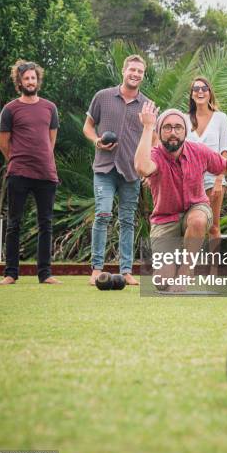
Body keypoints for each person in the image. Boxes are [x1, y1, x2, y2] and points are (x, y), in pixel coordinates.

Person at [134, 103, 227, 287]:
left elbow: (226, 167)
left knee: (198, 220)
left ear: (185, 131)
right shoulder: (155, 155)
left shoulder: (198, 151)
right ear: (159, 132)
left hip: (196, 209)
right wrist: (147, 127)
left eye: (178, 127)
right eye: (167, 128)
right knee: (162, 282)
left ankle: (186, 270)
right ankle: (173, 264)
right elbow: (142, 167)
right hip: (165, 219)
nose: (173, 132)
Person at [83, 54, 149, 285]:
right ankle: (96, 270)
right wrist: (96, 141)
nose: (135, 74)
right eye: (132, 69)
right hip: (104, 168)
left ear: (143, 75)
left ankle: (126, 270)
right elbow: (88, 127)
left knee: (128, 220)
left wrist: (148, 167)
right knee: (102, 214)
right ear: (123, 71)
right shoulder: (102, 97)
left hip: (131, 172)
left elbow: (153, 140)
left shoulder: (146, 106)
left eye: (140, 71)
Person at [0, 60, 61, 285]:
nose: (30, 81)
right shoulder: (10, 109)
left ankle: (45, 274)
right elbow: (3, 144)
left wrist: (40, 158)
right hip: (18, 174)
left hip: (46, 174)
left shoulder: (49, 108)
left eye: (33, 78)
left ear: (38, 80)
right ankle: (10, 273)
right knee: (14, 223)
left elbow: (50, 140)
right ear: (20, 81)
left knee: (46, 224)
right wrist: (19, 160)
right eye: (26, 78)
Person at [187, 77, 227, 243]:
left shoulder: (221, 118)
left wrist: (220, 180)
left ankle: (213, 269)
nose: (200, 91)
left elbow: (224, 150)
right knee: (192, 225)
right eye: (196, 88)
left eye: (204, 88)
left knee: (213, 226)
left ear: (209, 93)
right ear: (191, 95)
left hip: (214, 180)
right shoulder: (184, 119)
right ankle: (190, 266)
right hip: (189, 181)